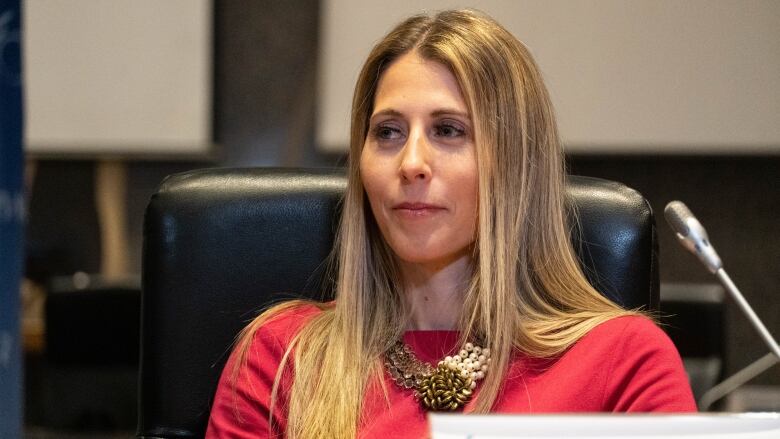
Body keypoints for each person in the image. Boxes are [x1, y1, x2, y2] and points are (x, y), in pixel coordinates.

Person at [206, 9, 696, 438]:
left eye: (448, 130)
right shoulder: (279, 357)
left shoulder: (624, 362)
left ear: (516, 163)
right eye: (388, 132)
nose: (411, 162)